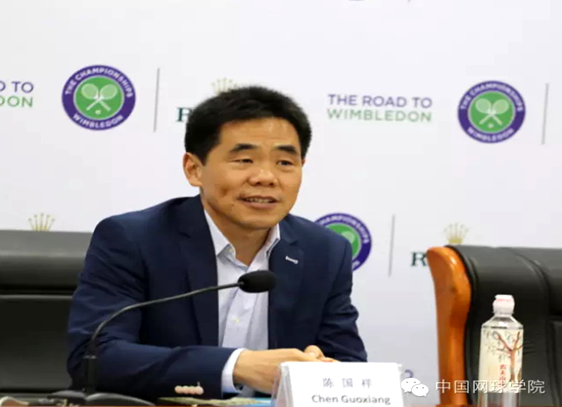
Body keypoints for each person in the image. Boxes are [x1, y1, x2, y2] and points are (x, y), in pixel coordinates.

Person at [66, 86, 367, 402]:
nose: (266, 177)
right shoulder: (134, 239)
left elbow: (349, 366)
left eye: (285, 163)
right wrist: (237, 366)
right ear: (194, 169)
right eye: (245, 160)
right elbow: (96, 358)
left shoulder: (325, 251)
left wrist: (324, 369)